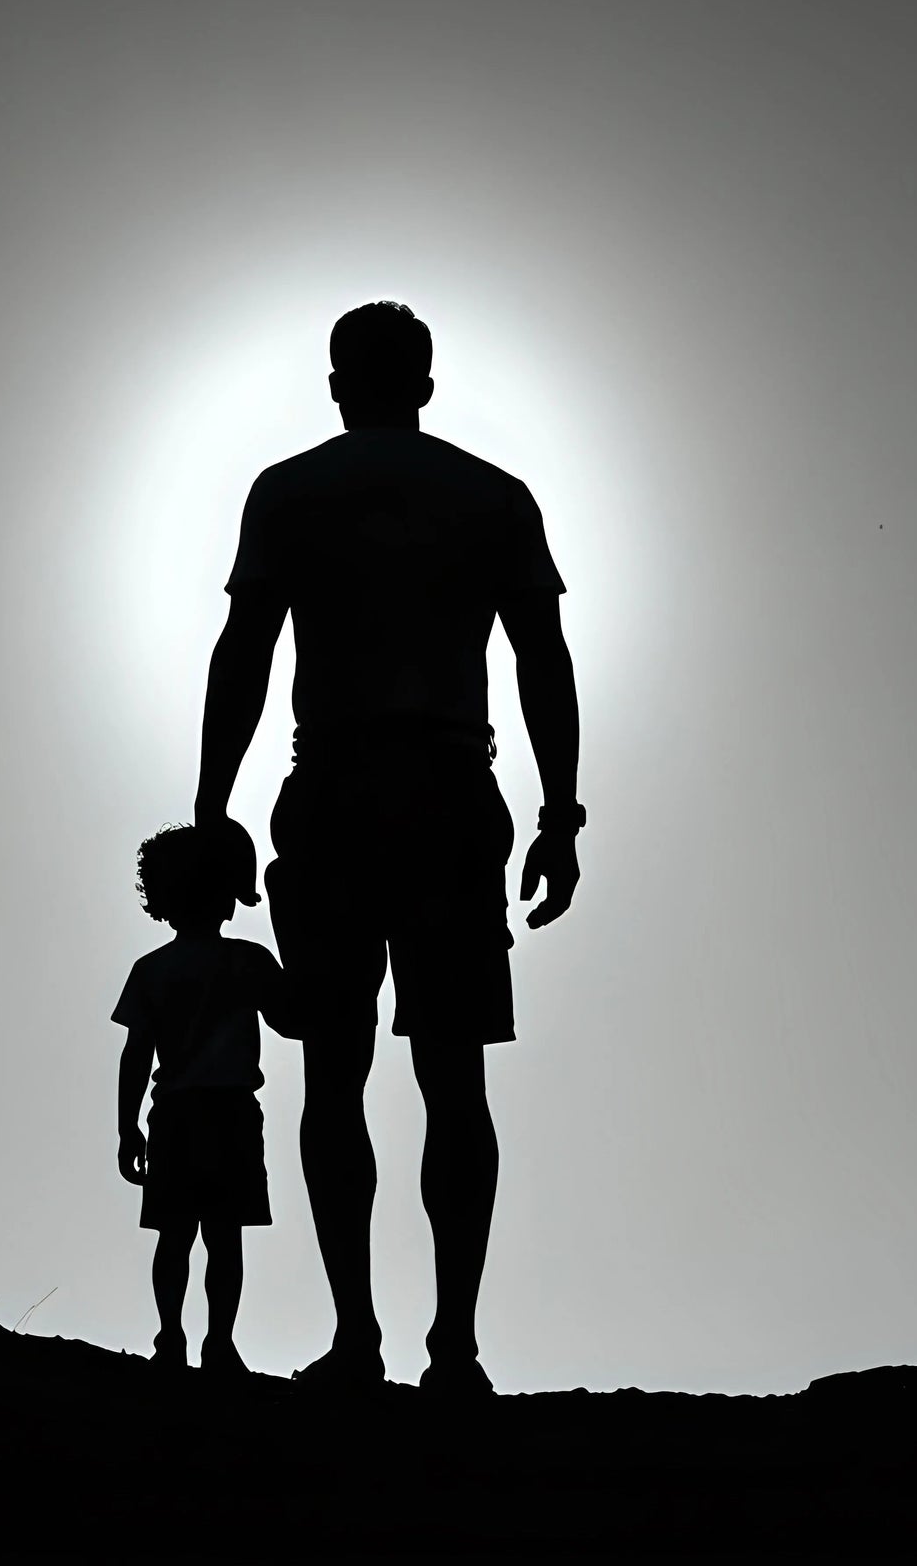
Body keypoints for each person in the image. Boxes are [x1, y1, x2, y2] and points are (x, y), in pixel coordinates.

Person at [193, 300, 582, 1397]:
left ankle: (357, 1338)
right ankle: (451, 1348)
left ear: (335, 384)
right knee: (452, 1079)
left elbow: (246, 654)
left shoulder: (290, 491)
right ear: (425, 381)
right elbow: (544, 661)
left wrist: (212, 801)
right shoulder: (492, 497)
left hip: (337, 792)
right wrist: (561, 811)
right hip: (454, 791)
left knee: (334, 1072)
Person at [113, 822, 293, 1380]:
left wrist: (127, 1129)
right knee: (223, 1236)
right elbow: (294, 1021)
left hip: (176, 1116)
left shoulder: (152, 970)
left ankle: (173, 1338)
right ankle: (217, 1342)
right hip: (230, 1114)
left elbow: (135, 1056)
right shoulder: (249, 961)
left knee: (177, 1235)